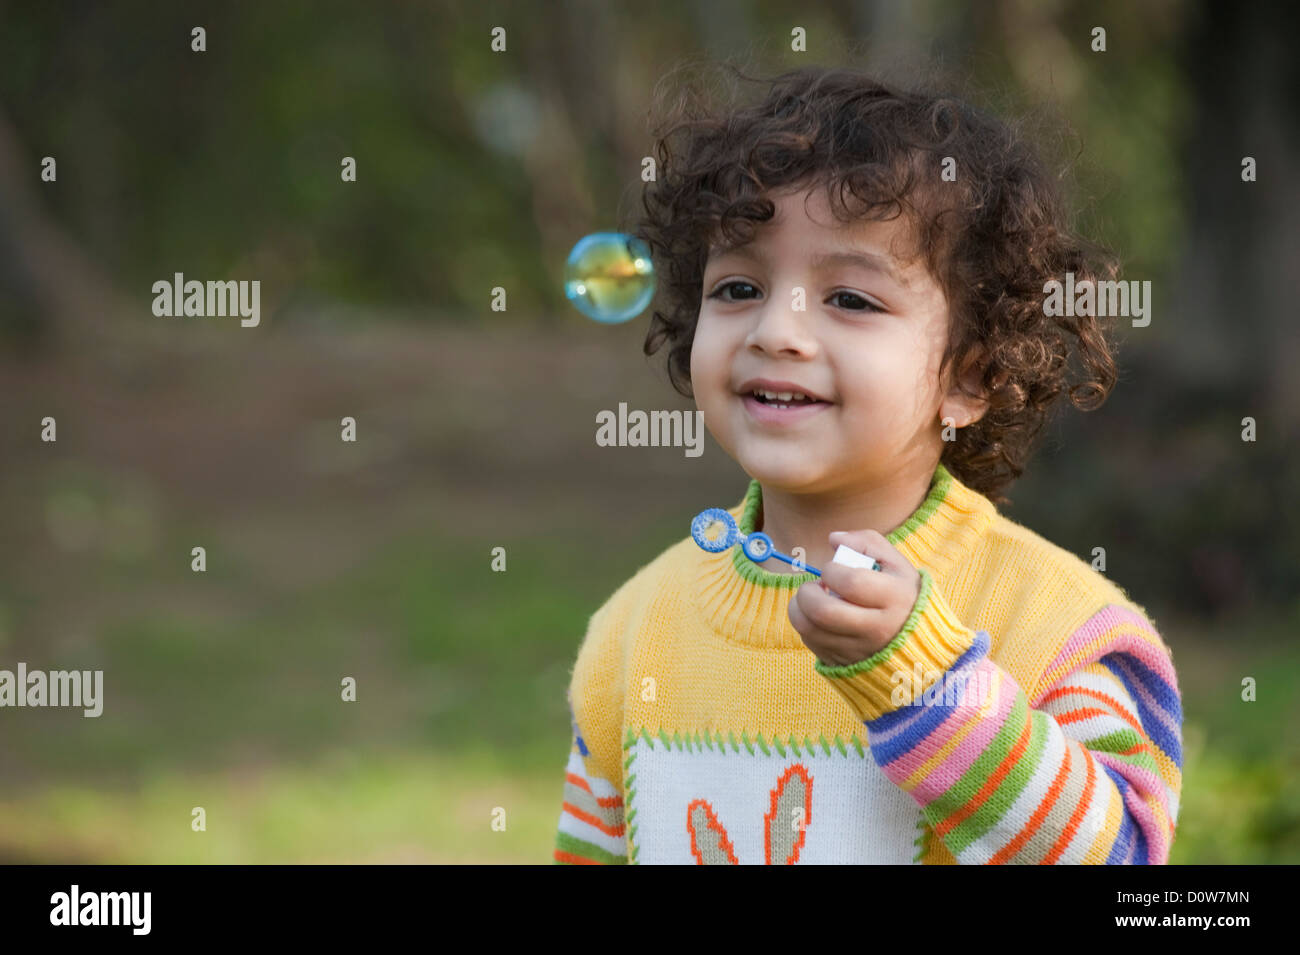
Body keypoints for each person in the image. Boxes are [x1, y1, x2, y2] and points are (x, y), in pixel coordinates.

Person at [553, 63, 1182, 864]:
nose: (776, 331)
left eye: (850, 299)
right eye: (739, 285)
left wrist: (926, 684)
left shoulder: (1055, 626)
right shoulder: (631, 636)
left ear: (970, 378)